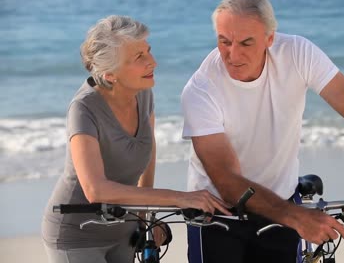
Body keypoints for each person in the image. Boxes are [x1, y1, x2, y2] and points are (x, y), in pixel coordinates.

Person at [181, 0, 344, 262]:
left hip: (282, 202)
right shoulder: (201, 89)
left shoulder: (297, 53)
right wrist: (297, 217)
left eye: (246, 43)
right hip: (217, 213)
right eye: (224, 41)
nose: (233, 55)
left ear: (269, 38)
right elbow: (228, 182)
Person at [41, 15, 230, 263]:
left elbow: (148, 153)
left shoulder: (143, 93)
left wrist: (145, 217)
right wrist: (179, 197)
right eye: (139, 57)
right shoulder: (83, 109)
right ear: (110, 74)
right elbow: (95, 189)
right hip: (77, 234)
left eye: (148, 51)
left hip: (123, 231)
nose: (153, 62)